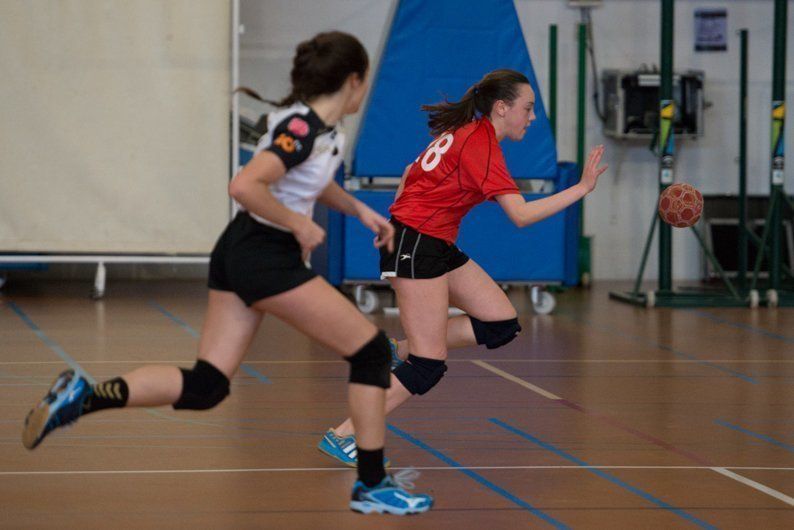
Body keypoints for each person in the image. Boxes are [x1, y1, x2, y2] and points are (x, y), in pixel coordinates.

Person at [21, 31, 432, 516]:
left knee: (206, 386)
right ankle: (372, 483)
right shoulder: (302, 128)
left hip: (241, 251)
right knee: (369, 353)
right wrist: (297, 222)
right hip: (264, 254)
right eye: (365, 84)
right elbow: (245, 184)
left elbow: (306, 182)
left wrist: (359, 211)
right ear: (353, 81)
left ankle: (83, 397)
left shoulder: (316, 130)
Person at [318, 69, 607, 466]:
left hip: (427, 240)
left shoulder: (467, 133)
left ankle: (390, 350)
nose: (532, 116)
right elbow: (520, 215)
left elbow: (408, 175)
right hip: (418, 243)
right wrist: (581, 188)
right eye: (528, 108)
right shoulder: (480, 143)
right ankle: (345, 435)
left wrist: (394, 223)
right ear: (502, 108)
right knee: (427, 365)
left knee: (500, 322)